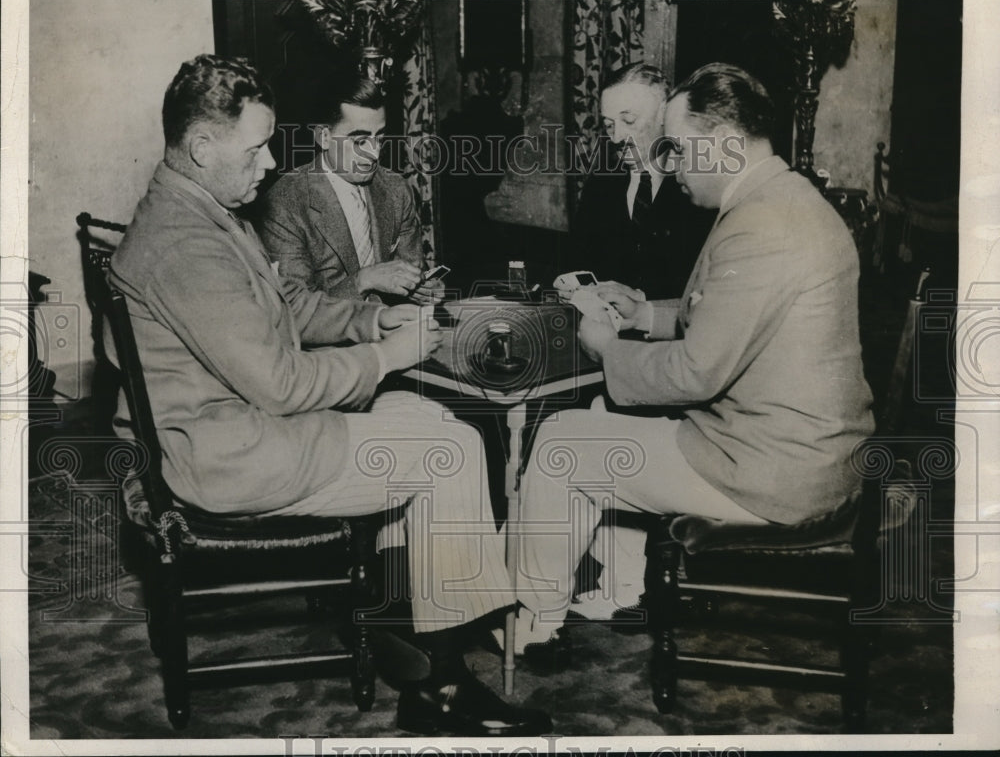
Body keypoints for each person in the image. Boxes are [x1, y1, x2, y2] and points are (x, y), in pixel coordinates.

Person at [107, 54, 549, 736]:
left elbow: (282, 312)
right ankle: (441, 688)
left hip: (237, 427)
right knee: (450, 452)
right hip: (233, 453)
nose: (266, 167)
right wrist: (385, 355)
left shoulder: (197, 210)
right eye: (255, 150)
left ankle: (410, 636)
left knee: (426, 416)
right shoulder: (185, 244)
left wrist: (371, 320)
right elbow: (282, 383)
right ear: (201, 147)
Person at [511, 63, 875, 652]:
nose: (672, 162)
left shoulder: (761, 225)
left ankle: (534, 623)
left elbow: (695, 372)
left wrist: (608, 347)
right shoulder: (783, 199)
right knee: (596, 427)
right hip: (803, 450)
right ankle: (616, 592)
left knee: (558, 443)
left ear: (727, 145)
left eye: (679, 148)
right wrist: (643, 316)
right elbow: (725, 309)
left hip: (771, 471)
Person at [257, 72, 441, 304]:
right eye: (359, 141)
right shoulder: (285, 204)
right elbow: (295, 310)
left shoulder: (396, 189)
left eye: (380, 138)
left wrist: (422, 289)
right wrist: (363, 280)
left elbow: (410, 274)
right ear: (324, 137)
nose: (374, 153)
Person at [568, 62, 715, 300]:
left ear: (665, 114)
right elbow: (578, 261)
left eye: (629, 121)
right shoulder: (601, 183)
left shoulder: (699, 185)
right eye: (608, 125)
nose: (616, 137)